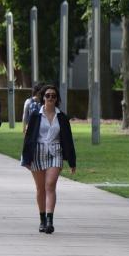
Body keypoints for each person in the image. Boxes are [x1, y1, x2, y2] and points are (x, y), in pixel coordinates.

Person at [21, 84, 76, 234]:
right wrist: (26, 159)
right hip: (38, 152)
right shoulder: (36, 115)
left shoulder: (62, 117)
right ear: (43, 98)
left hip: (55, 152)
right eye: (47, 95)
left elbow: (68, 140)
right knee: (40, 189)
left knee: (50, 185)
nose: (50, 98)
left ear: (57, 99)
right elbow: (28, 138)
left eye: (53, 96)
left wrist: (72, 161)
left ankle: (50, 220)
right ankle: (42, 220)